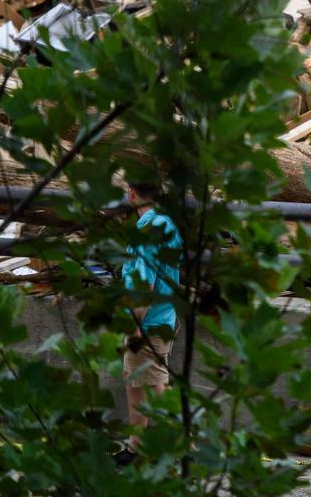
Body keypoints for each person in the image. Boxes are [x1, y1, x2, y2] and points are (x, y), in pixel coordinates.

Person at [114, 181, 182, 467]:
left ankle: (173, 447)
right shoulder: (165, 222)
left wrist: (135, 325)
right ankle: (136, 446)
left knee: (154, 382)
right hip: (162, 315)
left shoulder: (146, 230)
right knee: (136, 380)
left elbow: (144, 284)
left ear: (131, 193)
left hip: (148, 320)